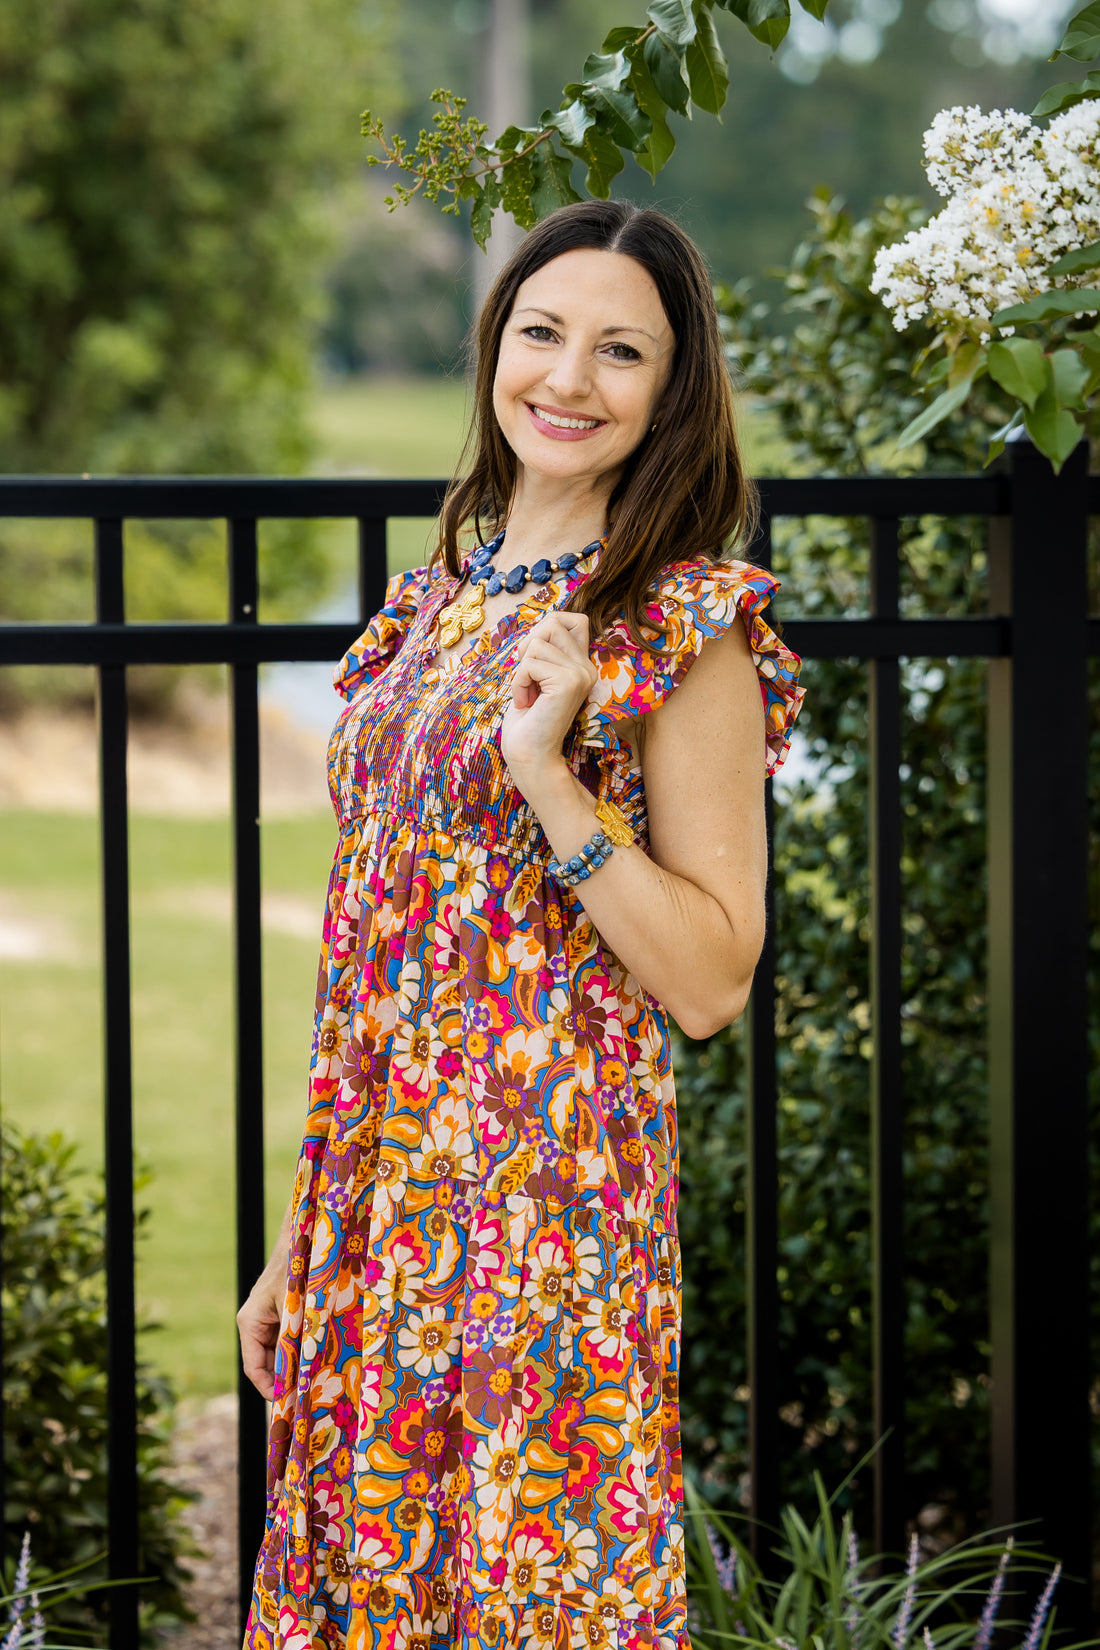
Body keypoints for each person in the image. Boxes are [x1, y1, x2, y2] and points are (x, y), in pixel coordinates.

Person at [238, 198, 804, 1650]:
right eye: (543, 332)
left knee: (529, 1594)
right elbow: (387, 948)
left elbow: (710, 978)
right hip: (382, 1208)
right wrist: (306, 1237)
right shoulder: (432, 606)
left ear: (673, 390)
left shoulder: (683, 626)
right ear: (494, 347)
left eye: (622, 350)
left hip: (542, 1218)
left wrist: (551, 779)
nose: (568, 377)